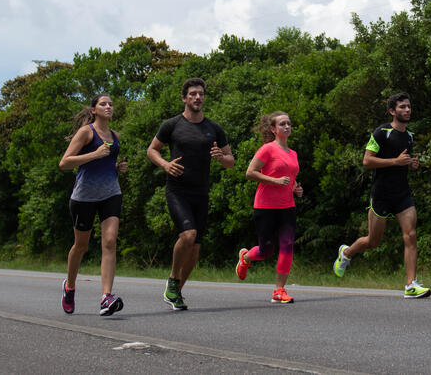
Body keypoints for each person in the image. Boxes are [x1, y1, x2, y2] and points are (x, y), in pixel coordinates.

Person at [147, 78, 234, 310]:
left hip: (201, 193)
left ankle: (175, 293)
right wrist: (165, 165)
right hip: (177, 190)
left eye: (201, 94)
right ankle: (173, 280)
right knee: (187, 235)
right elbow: (152, 150)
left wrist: (220, 157)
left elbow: (230, 161)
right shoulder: (172, 125)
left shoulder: (214, 128)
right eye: (193, 94)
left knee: (195, 249)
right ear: (184, 98)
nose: (198, 97)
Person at [332, 92, 431, 299]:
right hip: (381, 195)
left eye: (409, 106)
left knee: (411, 235)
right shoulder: (381, 133)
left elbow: (404, 163)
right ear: (392, 111)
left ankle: (411, 284)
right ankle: (347, 253)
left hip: (402, 194)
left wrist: (412, 165)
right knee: (373, 242)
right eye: (402, 107)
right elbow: (367, 161)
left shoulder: (409, 136)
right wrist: (395, 161)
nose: (407, 110)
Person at [59, 94, 128, 315]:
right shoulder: (86, 132)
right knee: (81, 246)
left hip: (110, 194)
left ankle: (106, 298)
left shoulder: (115, 135)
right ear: (93, 110)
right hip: (84, 197)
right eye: (103, 104)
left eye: (110, 103)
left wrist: (117, 168)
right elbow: (64, 163)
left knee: (109, 242)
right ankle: (69, 287)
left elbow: (105, 164)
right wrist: (94, 154)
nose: (108, 106)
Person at [235, 112, 303, 303]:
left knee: (288, 244)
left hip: (287, 206)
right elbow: (250, 172)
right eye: (282, 124)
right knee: (266, 250)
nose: (287, 126)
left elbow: (290, 177)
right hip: (265, 206)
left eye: (289, 123)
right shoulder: (267, 149)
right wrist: (275, 181)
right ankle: (246, 257)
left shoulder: (293, 154)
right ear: (273, 129)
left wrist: (296, 188)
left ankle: (279, 290)